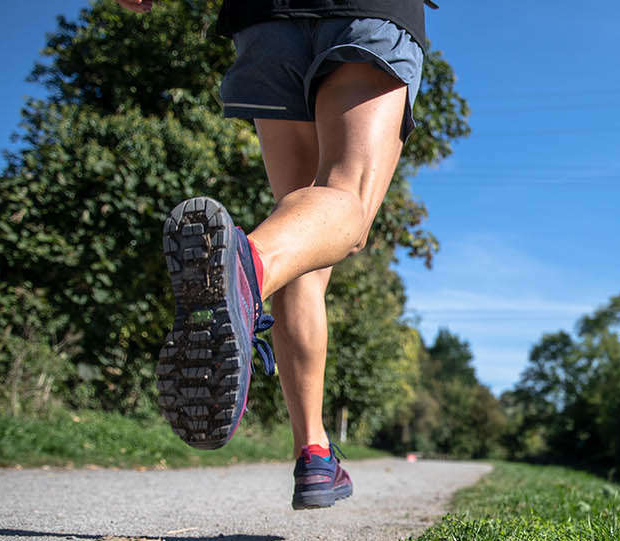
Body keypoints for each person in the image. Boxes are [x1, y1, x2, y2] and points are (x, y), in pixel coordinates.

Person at [116, 0, 428, 510]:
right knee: (345, 200)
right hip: (366, 8)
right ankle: (244, 271)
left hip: (264, 15)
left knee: (301, 241)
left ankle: (315, 452)